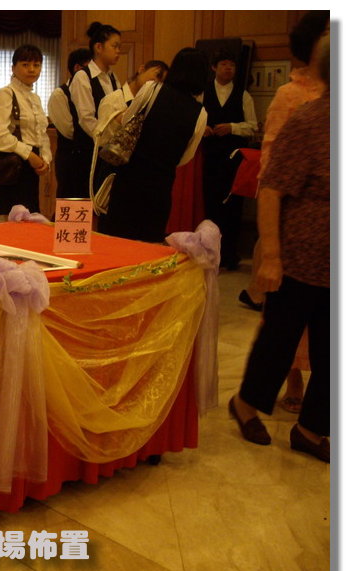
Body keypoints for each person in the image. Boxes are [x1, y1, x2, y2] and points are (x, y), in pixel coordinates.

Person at [228, 33, 330, 462]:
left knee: (335, 351)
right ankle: (245, 404)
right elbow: (270, 189)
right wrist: (270, 255)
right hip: (300, 257)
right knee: (280, 340)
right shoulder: (310, 121)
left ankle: (311, 428)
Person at [98, 48, 209, 243]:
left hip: (129, 179)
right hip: (160, 188)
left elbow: (128, 121)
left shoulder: (152, 89)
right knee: (148, 247)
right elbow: (186, 157)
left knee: (117, 241)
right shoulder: (200, 114)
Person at [200, 49, 258, 270]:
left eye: (232, 65)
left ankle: (230, 254)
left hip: (234, 158)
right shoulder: (203, 92)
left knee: (233, 205)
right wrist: (203, 128)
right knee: (210, 203)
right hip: (209, 156)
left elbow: (252, 126)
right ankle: (209, 253)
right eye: (224, 64)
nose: (228, 68)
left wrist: (232, 127)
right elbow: (193, 119)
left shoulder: (243, 95)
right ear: (214, 67)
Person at [0, 44, 52, 215]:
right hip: (14, 163)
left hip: (32, 165)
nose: (32, 69)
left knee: (31, 216)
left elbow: (42, 134)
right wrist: (30, 155)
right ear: (13, 68)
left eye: (36, 65)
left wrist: (45, 160)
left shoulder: (35, 98)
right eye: (25, 64)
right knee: (15, 218)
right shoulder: (6, 93)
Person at [70, 22, 123, 198]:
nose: (118, 51)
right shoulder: (82, 77)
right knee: (84, 203)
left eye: (119, 47)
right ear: (99, 47)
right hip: (87, 154)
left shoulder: (113, 77)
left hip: (107, 153)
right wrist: (106, 141)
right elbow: (86, 119)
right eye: (114, 46)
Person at [47, 48, 92, 198]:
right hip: (71, 159)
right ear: (77, 68)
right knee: (71, 202)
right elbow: (69, 131)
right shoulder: (60, 95)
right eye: (89, 69)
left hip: (90, 159)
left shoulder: (92, 93)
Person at [96, 59, 169, 140]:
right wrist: (117, 122)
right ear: (142, 69)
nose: (156, 82)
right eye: (158, 75)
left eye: (161, 82)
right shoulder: (112, 100)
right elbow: (99, 140)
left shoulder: (151, 105)